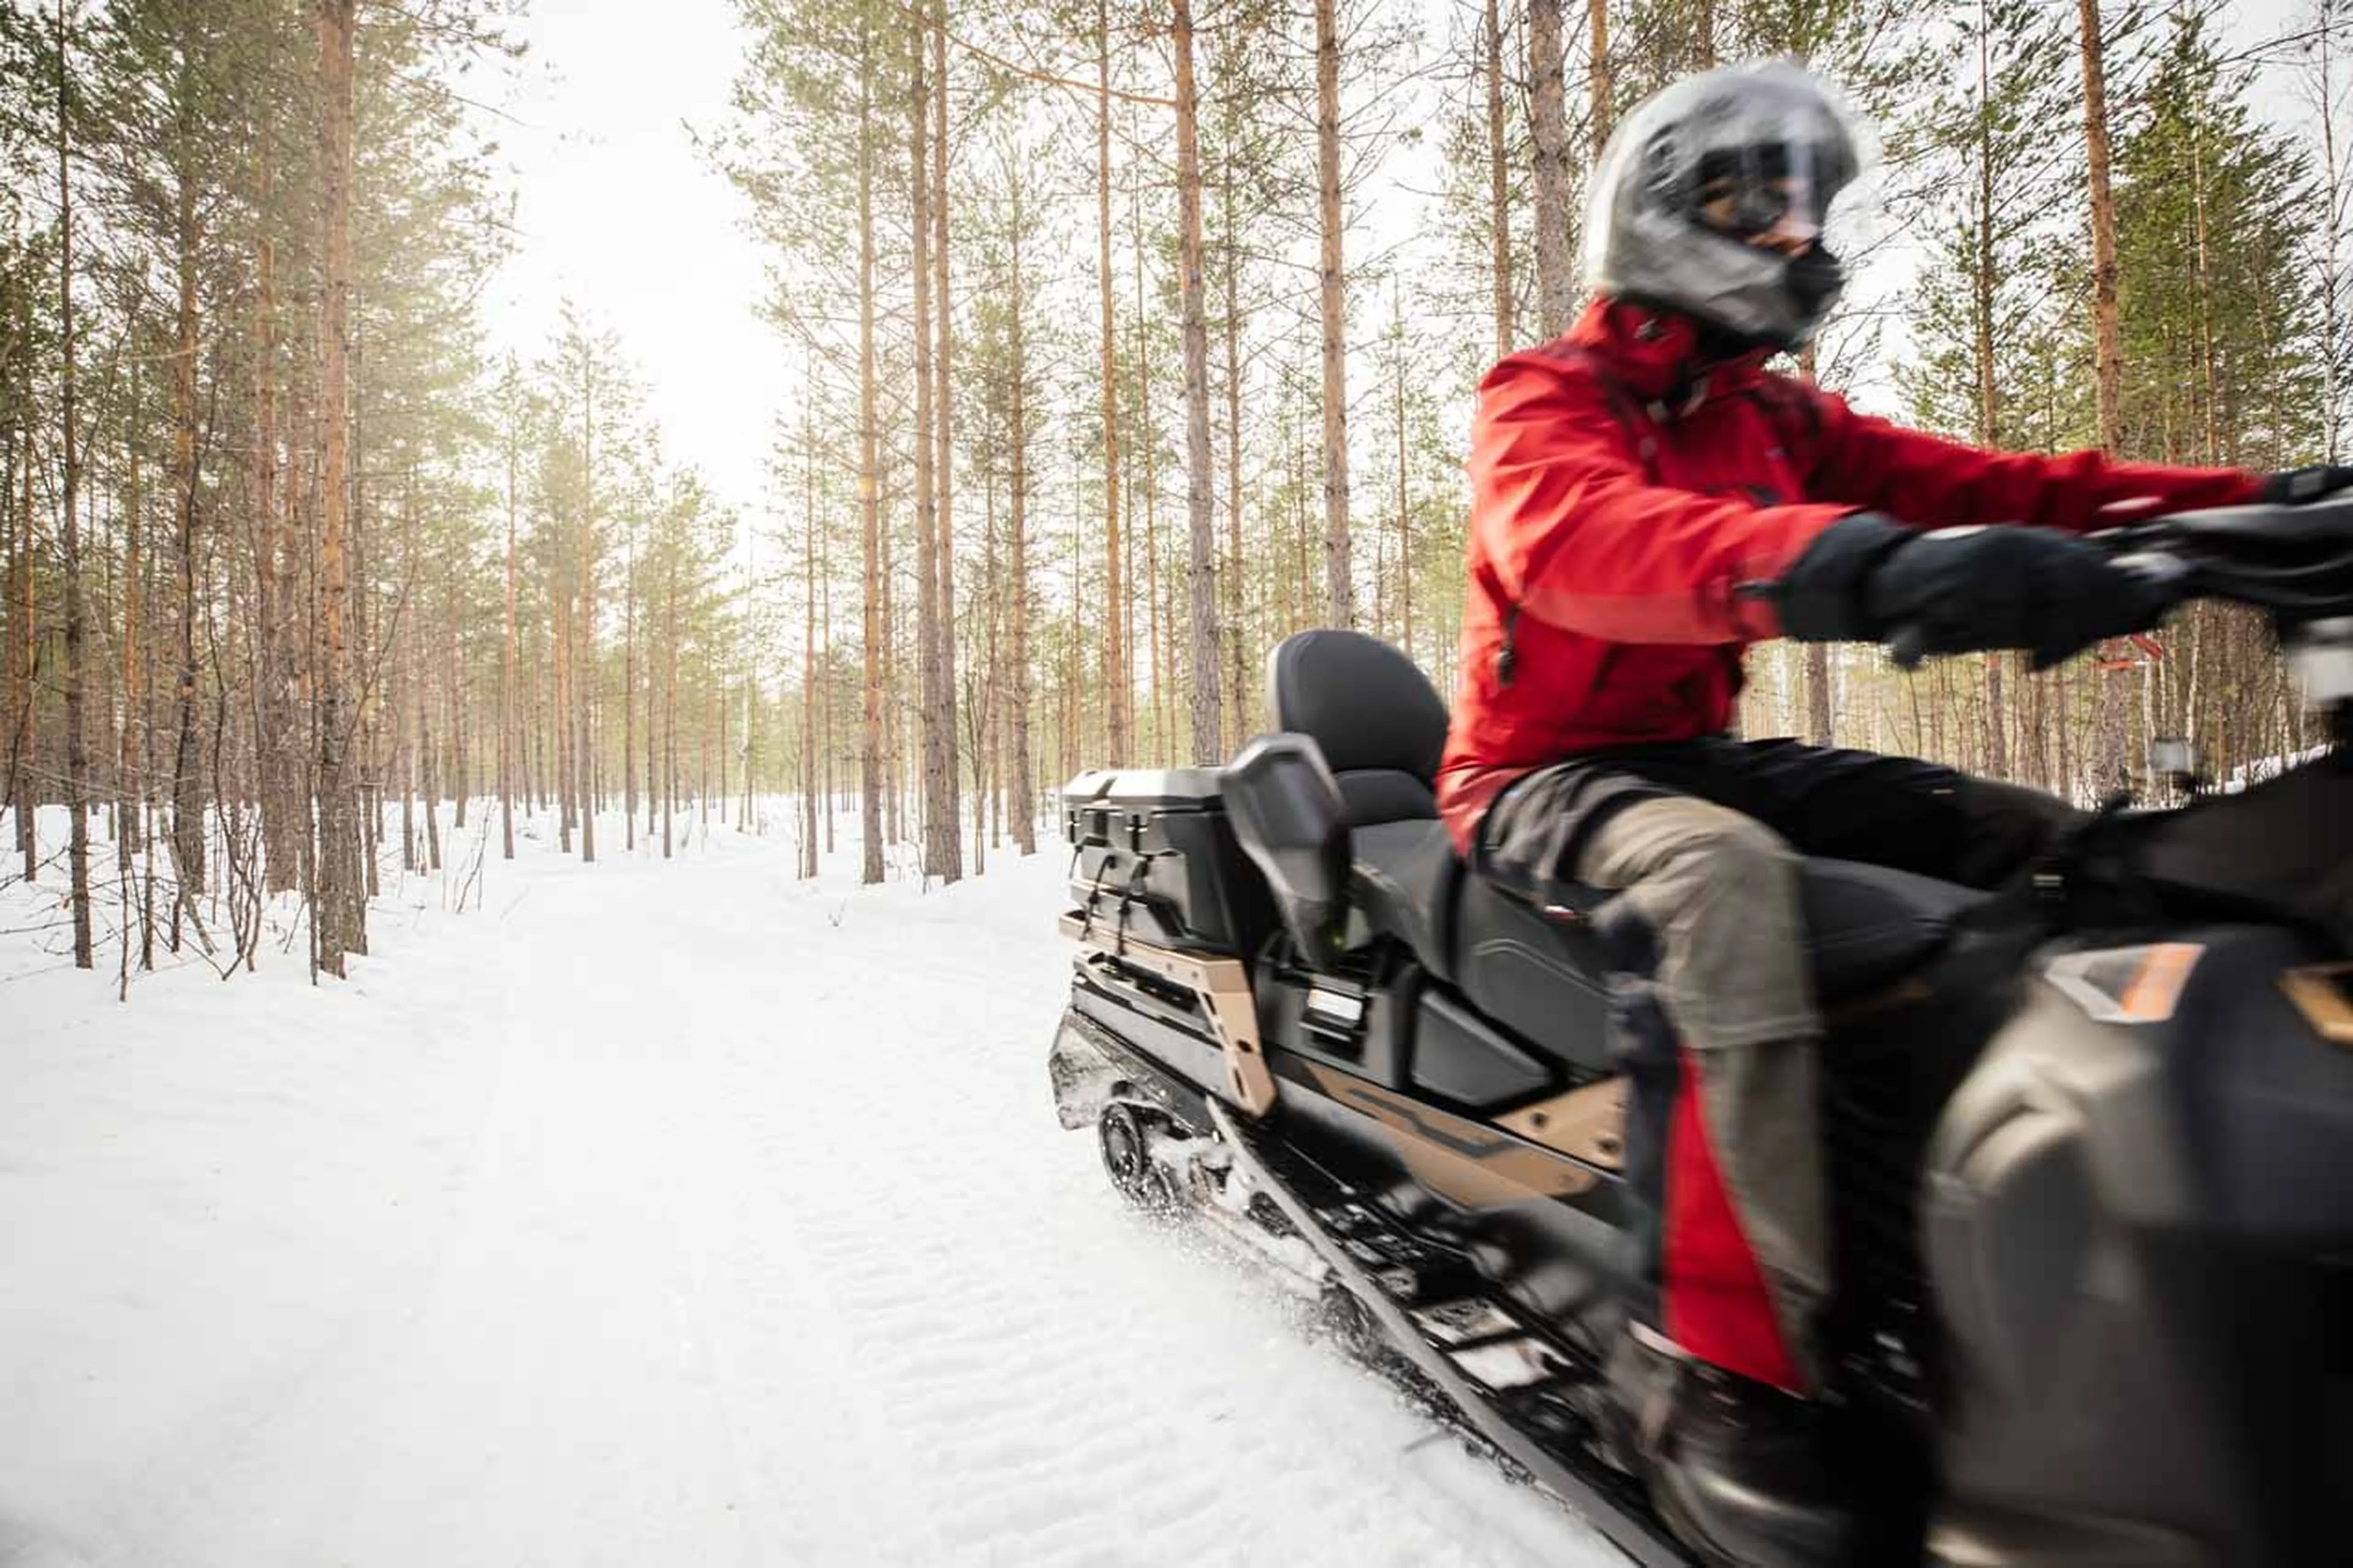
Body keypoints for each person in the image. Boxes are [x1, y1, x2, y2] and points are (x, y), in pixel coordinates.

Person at [1437, 59, 2351, 1567]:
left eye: (1808, 207)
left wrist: (2259, 494)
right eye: (1761, 204)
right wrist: (1864, 570)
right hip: (1539, 776)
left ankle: (1994, 1231)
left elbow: (1999, 486)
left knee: (2038, 841)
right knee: (1719, 887)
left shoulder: (1773, 416)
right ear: (1666, 213)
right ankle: (1714, 1361)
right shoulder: (1548, 396)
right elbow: (1581, 543)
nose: (1797, 235)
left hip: (1697, 756)